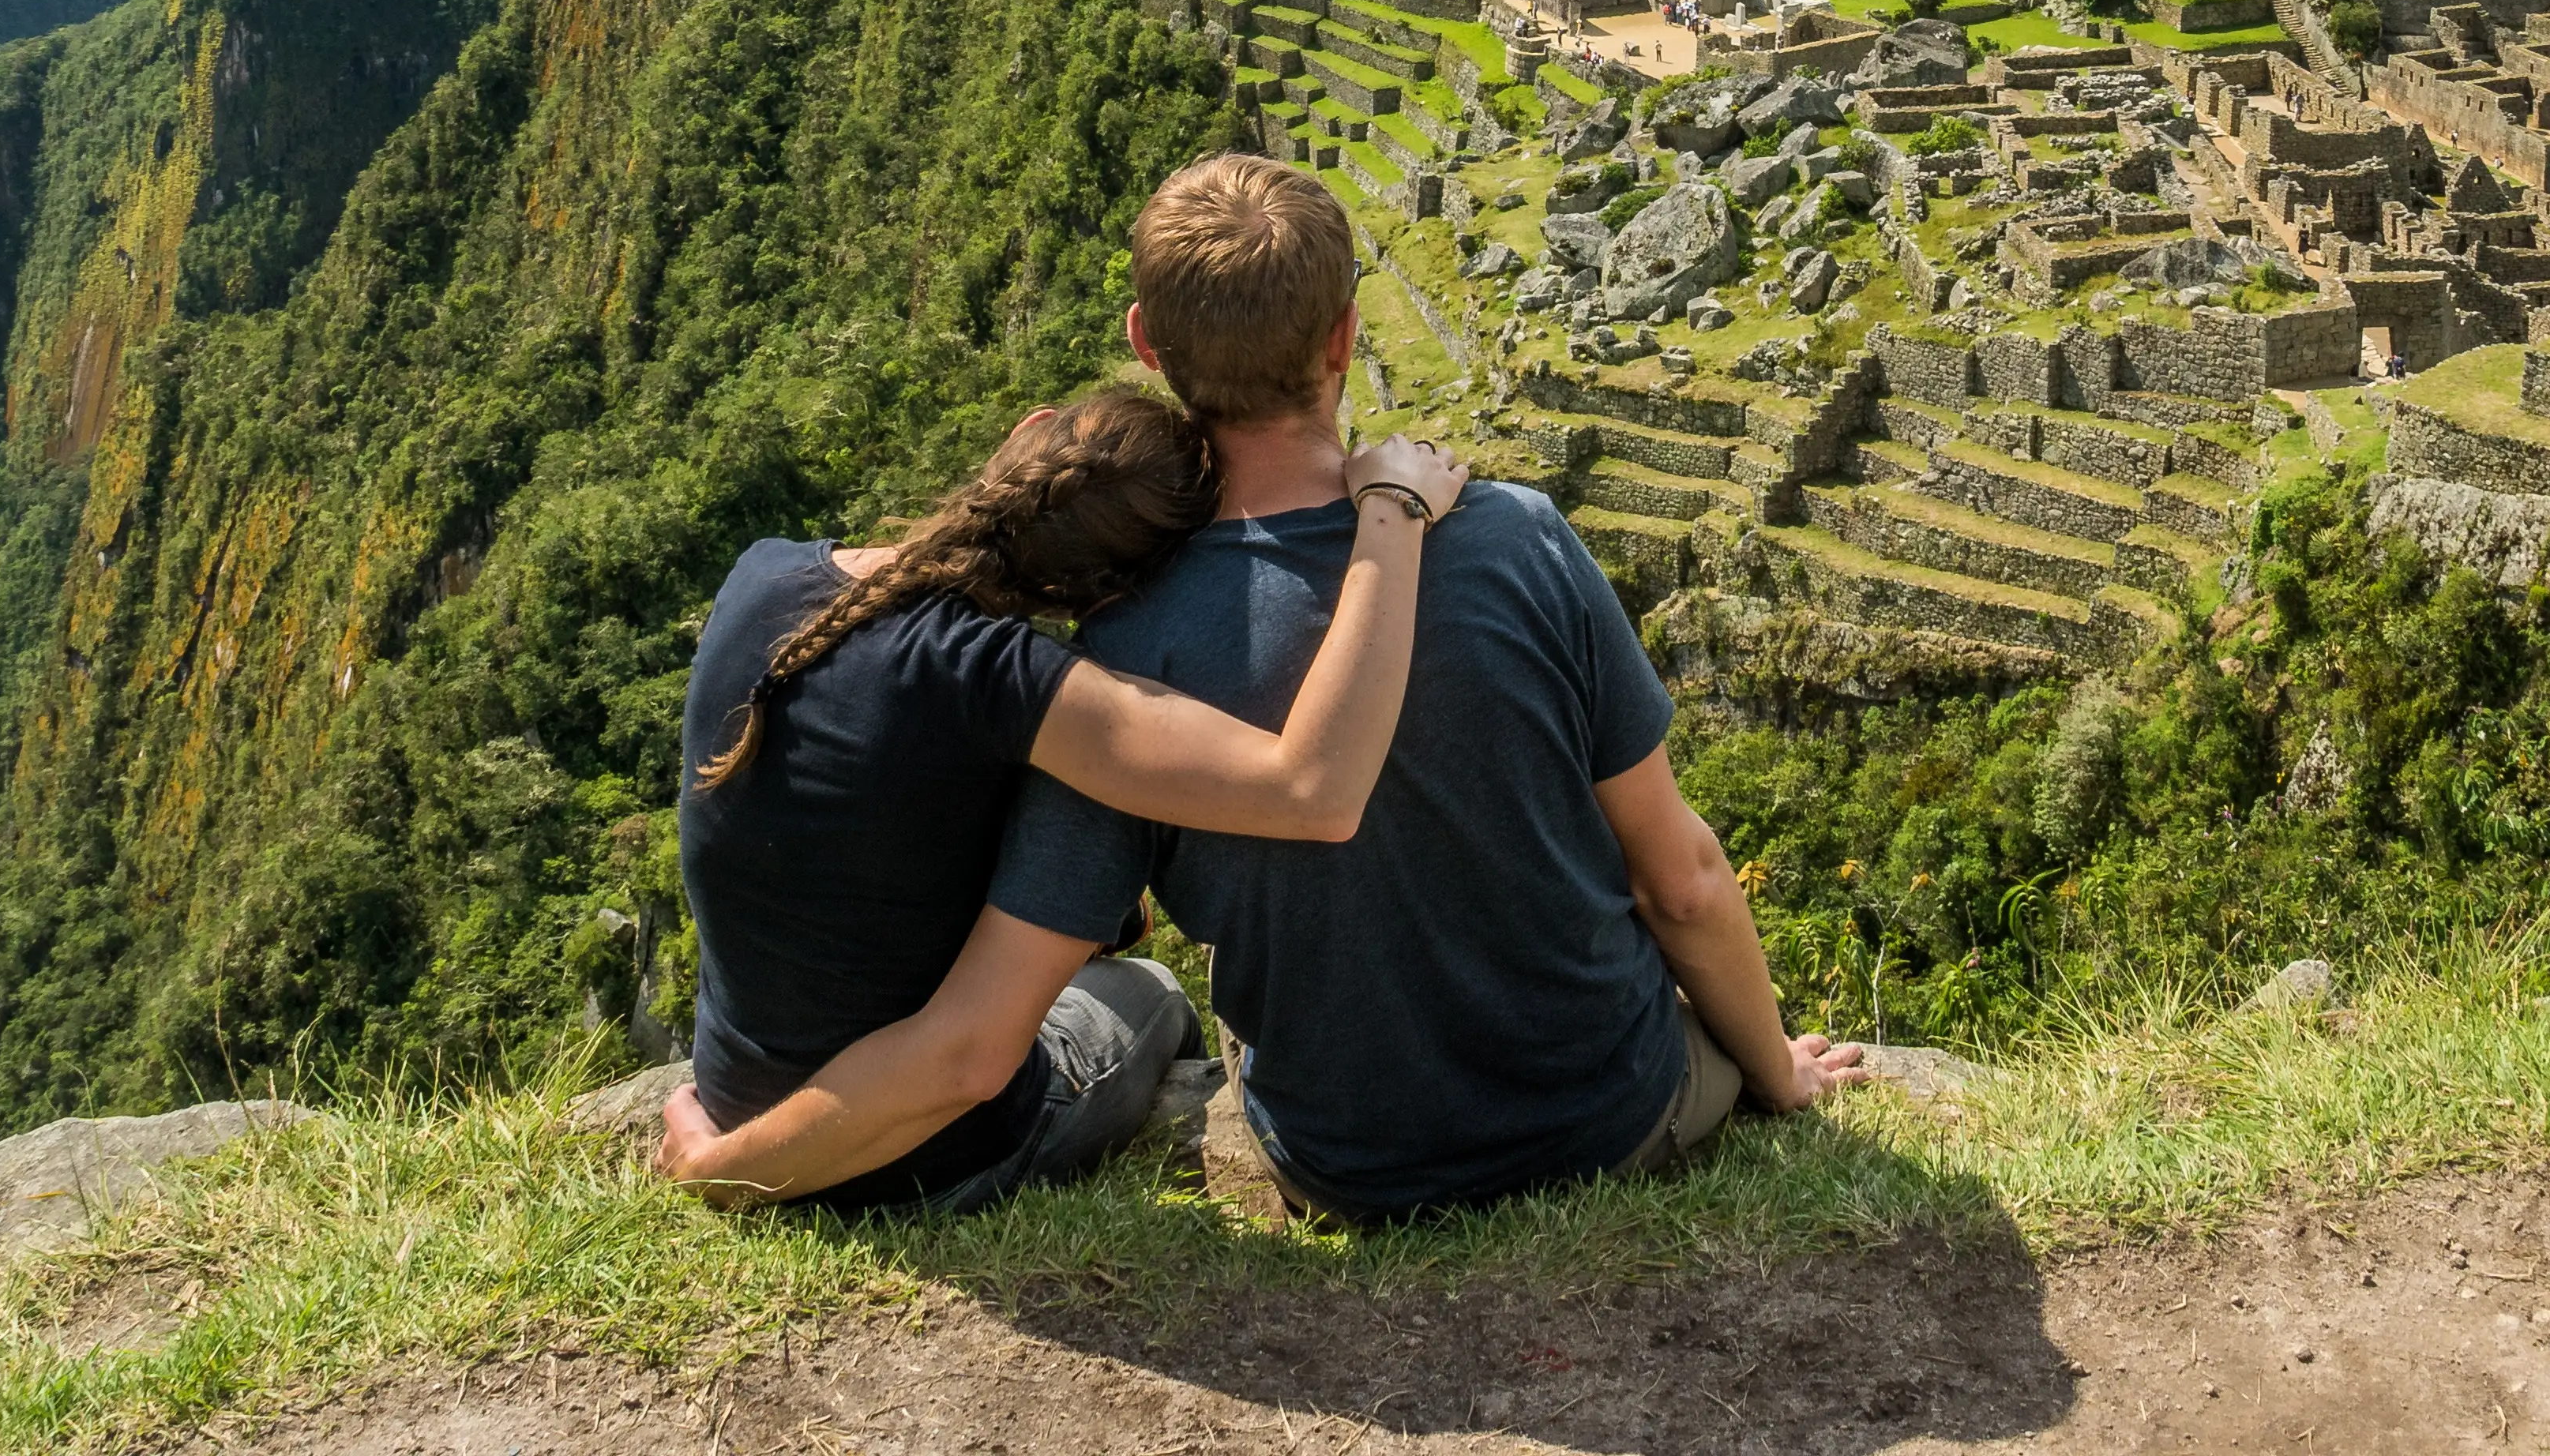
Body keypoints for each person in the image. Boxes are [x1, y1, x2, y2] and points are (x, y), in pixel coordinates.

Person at [986, 152, 1862, 1221]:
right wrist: (1780, 1072)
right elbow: (1678, 876)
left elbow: (1054, 939)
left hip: (1353, 1167)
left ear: (1146, 346)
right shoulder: (1517, 541)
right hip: (1612, 1120)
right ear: (1346, 337)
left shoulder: (1120, 640)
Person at [648, 381, 1463, 1212]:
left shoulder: (762, 572)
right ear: (1114, 591)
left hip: (732, 1094)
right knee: (1150, 992)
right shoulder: (1008, 684)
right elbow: (1314, 787)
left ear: (1029, 431)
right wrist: (1392, 511)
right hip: (910, 1162)